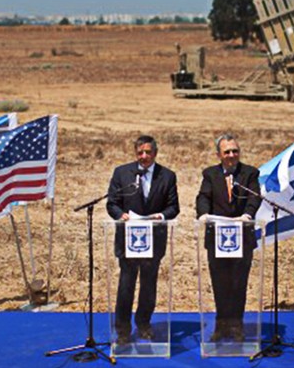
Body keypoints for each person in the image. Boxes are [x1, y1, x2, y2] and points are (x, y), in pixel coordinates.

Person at [107, 135, 179, 342]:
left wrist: (161, 216)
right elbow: (112, 202)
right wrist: (120, 215)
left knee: (148, 285)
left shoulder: (167, 176)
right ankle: (122, 330)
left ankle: (144, 324)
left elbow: (173, 207)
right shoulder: (122, 173)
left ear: (155, 153)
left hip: (154, 239)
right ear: (135, 153)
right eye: (140, 152)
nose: (144, 156)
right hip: (128, 239)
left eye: (148, 152)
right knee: (126, 285)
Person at [196, 134, 262, 341]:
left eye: (235, 151)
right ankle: (221, 325)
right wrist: (203, 214)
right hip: (217, 237)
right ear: (219, 155)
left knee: (238, 282)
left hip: (243, 236)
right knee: (220, 282)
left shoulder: (250, 173)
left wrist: (247, 215)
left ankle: (237, 325)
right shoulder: (210, 174)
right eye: (227, 152)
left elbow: (254, 197)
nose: (232, 155)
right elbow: (203, 197)